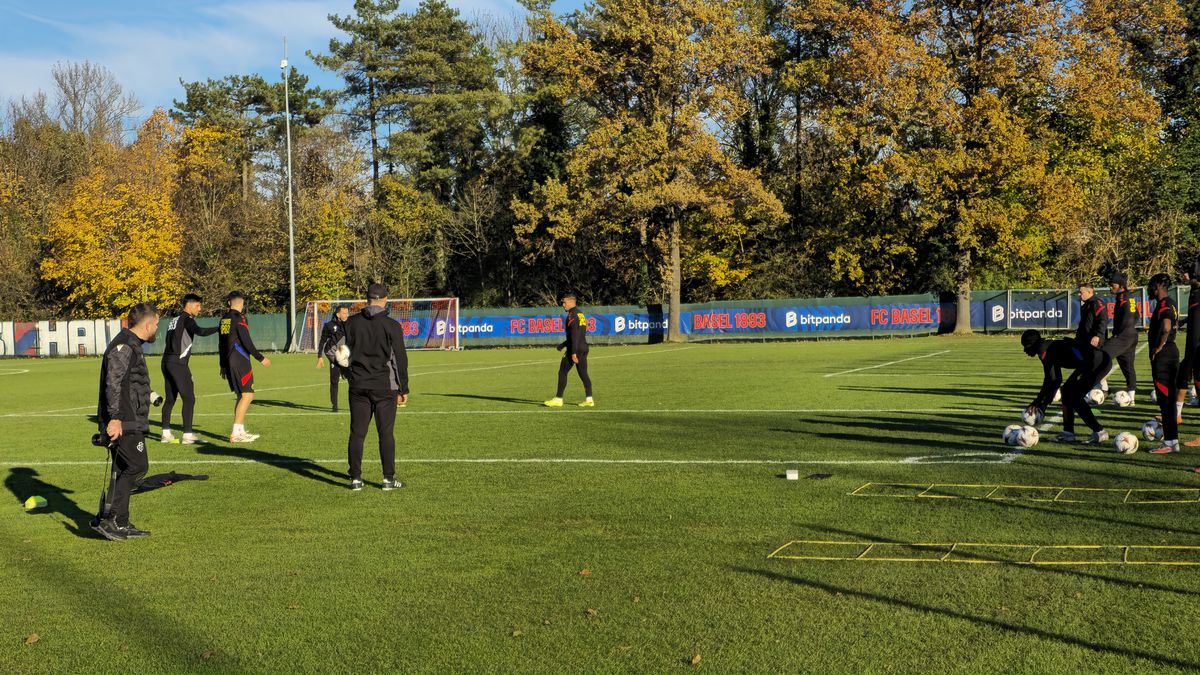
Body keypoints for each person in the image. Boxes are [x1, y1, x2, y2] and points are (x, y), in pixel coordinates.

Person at [92, 302, 160, 541]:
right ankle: (110, 520)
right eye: (157, 325)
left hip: (130, 417)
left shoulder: (132, 344)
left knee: (123, 468)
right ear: (149, 324)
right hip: (124, 419)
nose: (156, 330)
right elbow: (114, 382)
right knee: (137, 466)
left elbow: (130, 383)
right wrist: (116, 418)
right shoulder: (124, 345)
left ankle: (119, 521)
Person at [344, 283, 409, 491]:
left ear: (366, 299)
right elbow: (400, 359)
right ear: (385, 299)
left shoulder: (351, 323)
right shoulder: (391, 325)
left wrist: (348, 372)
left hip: (358, 386)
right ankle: (388, 479)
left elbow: (335, 351)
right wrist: (403, 388)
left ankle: (355, 479)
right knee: (386, 433)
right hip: (384, 386)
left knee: (357, 433)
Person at [1021, 329, 1110, 445]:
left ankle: (1099, 432)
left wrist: (1039, 403)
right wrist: (1041, 404)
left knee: (1074, 397)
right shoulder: (1045, 345)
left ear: (1032, 344)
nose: (1025, 350)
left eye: (1026, 346)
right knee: (1067, 392)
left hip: (1095, 362)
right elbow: (1055, 380)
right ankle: (1068, 433)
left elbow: (1052, 380)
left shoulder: (1043, 350)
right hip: (1093, 361)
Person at [160, 293, 219, 444]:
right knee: (189, 398)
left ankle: (166, 434)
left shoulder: (174, 319)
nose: (200, 309)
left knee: (170, 399)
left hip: (166, 361)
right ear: (190, 305)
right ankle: (188, 435)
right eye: (198, 305)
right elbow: (200, 332)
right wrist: (218, 328)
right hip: (178, 363)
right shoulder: (187, 319)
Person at [218, 291, 270, 443]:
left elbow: (221, 343)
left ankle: (240, 429)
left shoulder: (224, 319)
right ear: (242, 303)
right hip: (240, 359)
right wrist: (260, 357)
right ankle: (236, 433)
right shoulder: (239, 318)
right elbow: (246, 341)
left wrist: (222, 364)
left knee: (242, 395)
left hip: (229, 360)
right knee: (248, 395)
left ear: (229, 303)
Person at [1146, 273, 1181, 454]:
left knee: (1165, 401)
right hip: (1171, 354)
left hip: (1164, 356)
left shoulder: (1165, 303)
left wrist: (1159, 347)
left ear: (1159, 285)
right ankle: (1173, 441)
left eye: (1152, 284)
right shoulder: (1172, 302)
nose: (1150, 288)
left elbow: (1167, 326)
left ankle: (1169, 443)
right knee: (1168, 401)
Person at [544, 293, 594, 408]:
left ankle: (558, 399)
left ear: (571, 302)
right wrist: (563, 345)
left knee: (562, 371)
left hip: (575, 348)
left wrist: (573, 352)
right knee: (583, 374)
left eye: (564, 302)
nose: (563, 305)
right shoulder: (580, 313)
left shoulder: (572, 315)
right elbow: (578, 334)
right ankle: (589, 399)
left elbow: (575, 335)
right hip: (583, 347)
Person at [1099, 271, 1139, 403]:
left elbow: (1128, 318)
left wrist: (1118, 334)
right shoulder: (1129, 296)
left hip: (1124, 336)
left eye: (1113, 285)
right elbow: (1136, 315)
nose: (1111, 287)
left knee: (1099, 356)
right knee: (1127, 366)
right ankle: (1131, 398)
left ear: (1121, 285)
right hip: (1131, 335)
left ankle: (1102, 389)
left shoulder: (1123, 298)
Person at [315, 305, 351, 412]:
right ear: (338, 314)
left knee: (353, 380)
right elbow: (322, 341)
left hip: (346, 357)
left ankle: (354, 403)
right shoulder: (329, 325)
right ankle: (334, 405)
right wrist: (320, 357)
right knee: (334, 381)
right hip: (333, 356)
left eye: (347, 313)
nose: (346, 315)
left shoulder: (350, 324)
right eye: (344, 313)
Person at [1075, 282, 1107, 350]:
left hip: (1094, 341)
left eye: (1081, 292)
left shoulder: (1097, 303)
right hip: (1084, 339)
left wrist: (1098, 336)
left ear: (1089, 292)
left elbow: (1103, 320)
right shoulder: (1085, 305)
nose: (1079, 294)